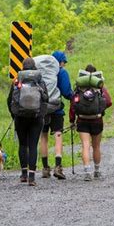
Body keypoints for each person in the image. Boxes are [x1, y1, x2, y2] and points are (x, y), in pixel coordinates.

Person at [7, 57, 48, 186]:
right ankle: (32, 177)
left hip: (20, 118)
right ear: (34, 66)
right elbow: (46, 98)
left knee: (23, 145)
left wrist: (14, 115)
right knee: (33, 146)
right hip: (36, 118)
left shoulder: (17, 80)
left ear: (23, 67)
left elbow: (9, 100)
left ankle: (23, 174)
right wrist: (41, 114)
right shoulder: (39, 80)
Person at [70, 64, 112, 181]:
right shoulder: (99, 88)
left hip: (82, 120)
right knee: (96, 146)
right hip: (97, 120)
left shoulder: (79, 88)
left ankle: (87, 171)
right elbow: (108, 102)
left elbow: (73, 105)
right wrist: (100, 108)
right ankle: (97, 171)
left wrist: (72, 120)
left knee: (85, 146)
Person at [40, 50, 73, 179]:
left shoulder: (42, 73)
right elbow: (66, 92)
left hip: (42, 108)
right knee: (58, 135)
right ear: (60, 62)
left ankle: (45, 168)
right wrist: (73, 96)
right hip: (56, 109)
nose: (64, 65)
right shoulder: (61, 72)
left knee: (43, 137)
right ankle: (58, 167)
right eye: (63, 62)